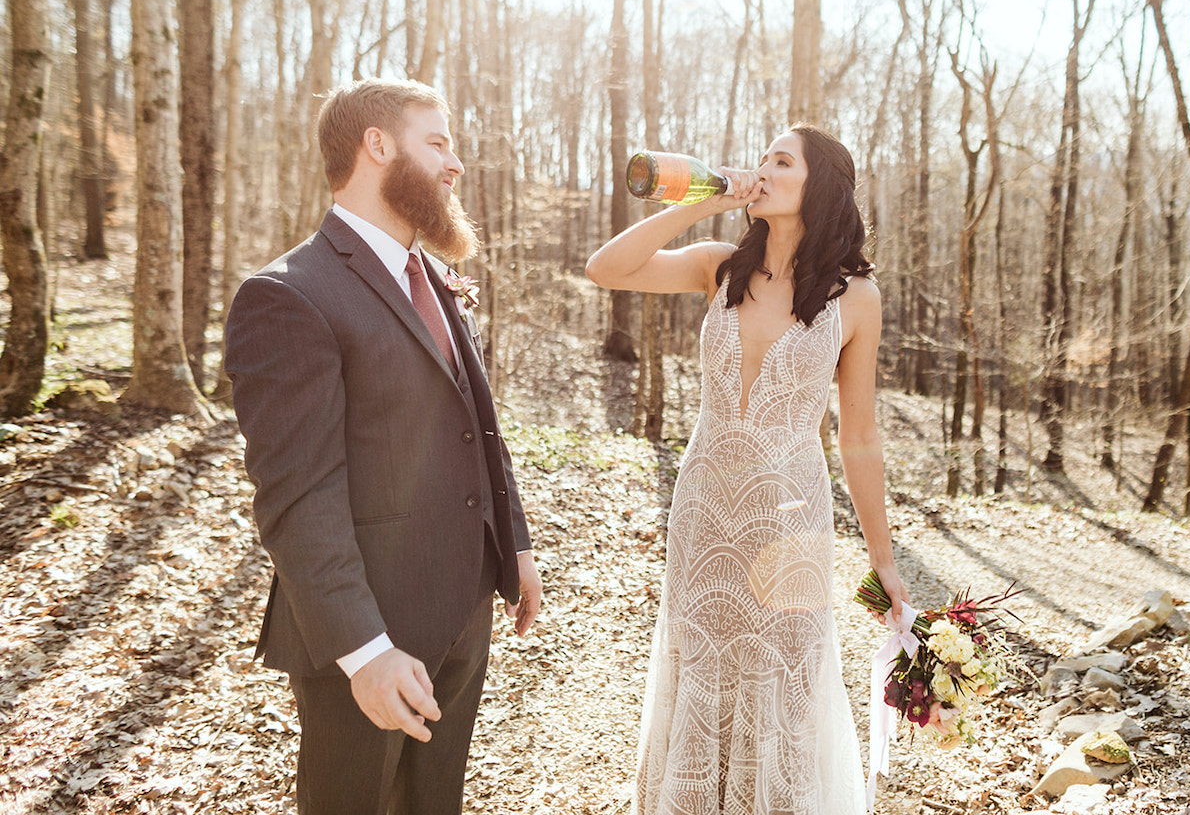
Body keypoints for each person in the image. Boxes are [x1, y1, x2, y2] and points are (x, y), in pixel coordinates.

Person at [224, 77, 542, 815]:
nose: (455, 163)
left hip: (464, 609)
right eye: (438, 142)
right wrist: (365, 652)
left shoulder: (428, 275)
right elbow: (298, 497)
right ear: (377, 145)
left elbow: (475, 423)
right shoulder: (288, 295)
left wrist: (514, 543)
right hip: (367, 635)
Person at [587, 124, 908, 815]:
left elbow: (858, 436)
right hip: (703, 515)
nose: (763, 169)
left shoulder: (856, 299)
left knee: (782, 686)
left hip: (790, 519)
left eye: (780, 160)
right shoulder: (719, 263)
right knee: (700, 672)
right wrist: (702, 201)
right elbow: (605, 269)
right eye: (762, 158)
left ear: (818, 185)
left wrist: (883, 559)